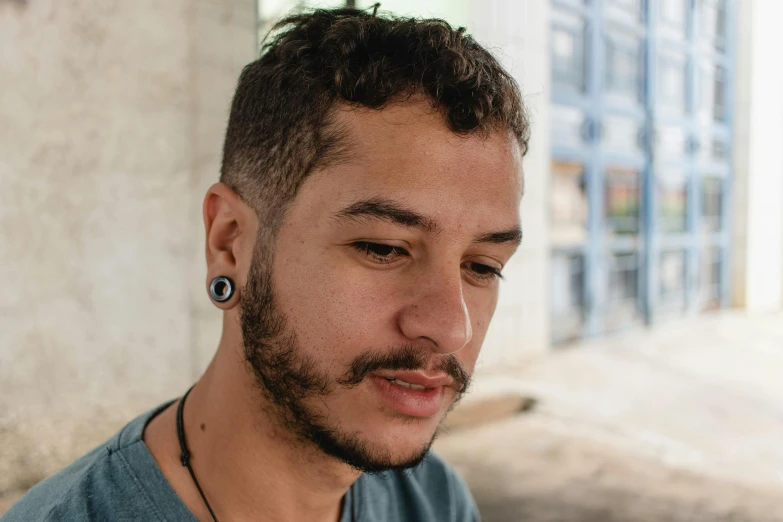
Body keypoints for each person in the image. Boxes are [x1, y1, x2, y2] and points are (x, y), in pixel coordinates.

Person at [3, 5, 529, 522]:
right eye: (383, 248)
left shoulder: (432, 500)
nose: (450, 328)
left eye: (482, 266)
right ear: (229, 242)